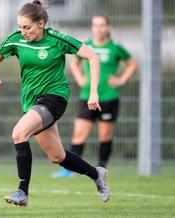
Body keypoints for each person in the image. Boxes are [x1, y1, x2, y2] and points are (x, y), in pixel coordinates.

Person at [0, 1, 110, 207]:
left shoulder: (57, 40)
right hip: (33, 103)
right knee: (57, 156)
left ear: (41, 23)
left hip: (55, 97)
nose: (22, 31)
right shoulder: (16, 40)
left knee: (19, 133)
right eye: (20, 27)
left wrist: (93, 92)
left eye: (27, 27)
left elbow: (92, 57)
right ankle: (96, 174)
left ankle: (22, 192)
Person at [51, 15, 137, 178]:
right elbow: (74, 63)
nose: (98, 29)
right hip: (87, 96)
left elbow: (132, 63)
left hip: (108, 97)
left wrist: (121, 80)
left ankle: (101, 168)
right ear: (92, 27)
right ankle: (69, 170)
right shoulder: (87, 45)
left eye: (102, 25)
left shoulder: (115, 47)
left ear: (108, 27)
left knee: (105, 135)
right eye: (95, 25)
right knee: (79, 134)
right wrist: (80, 78)